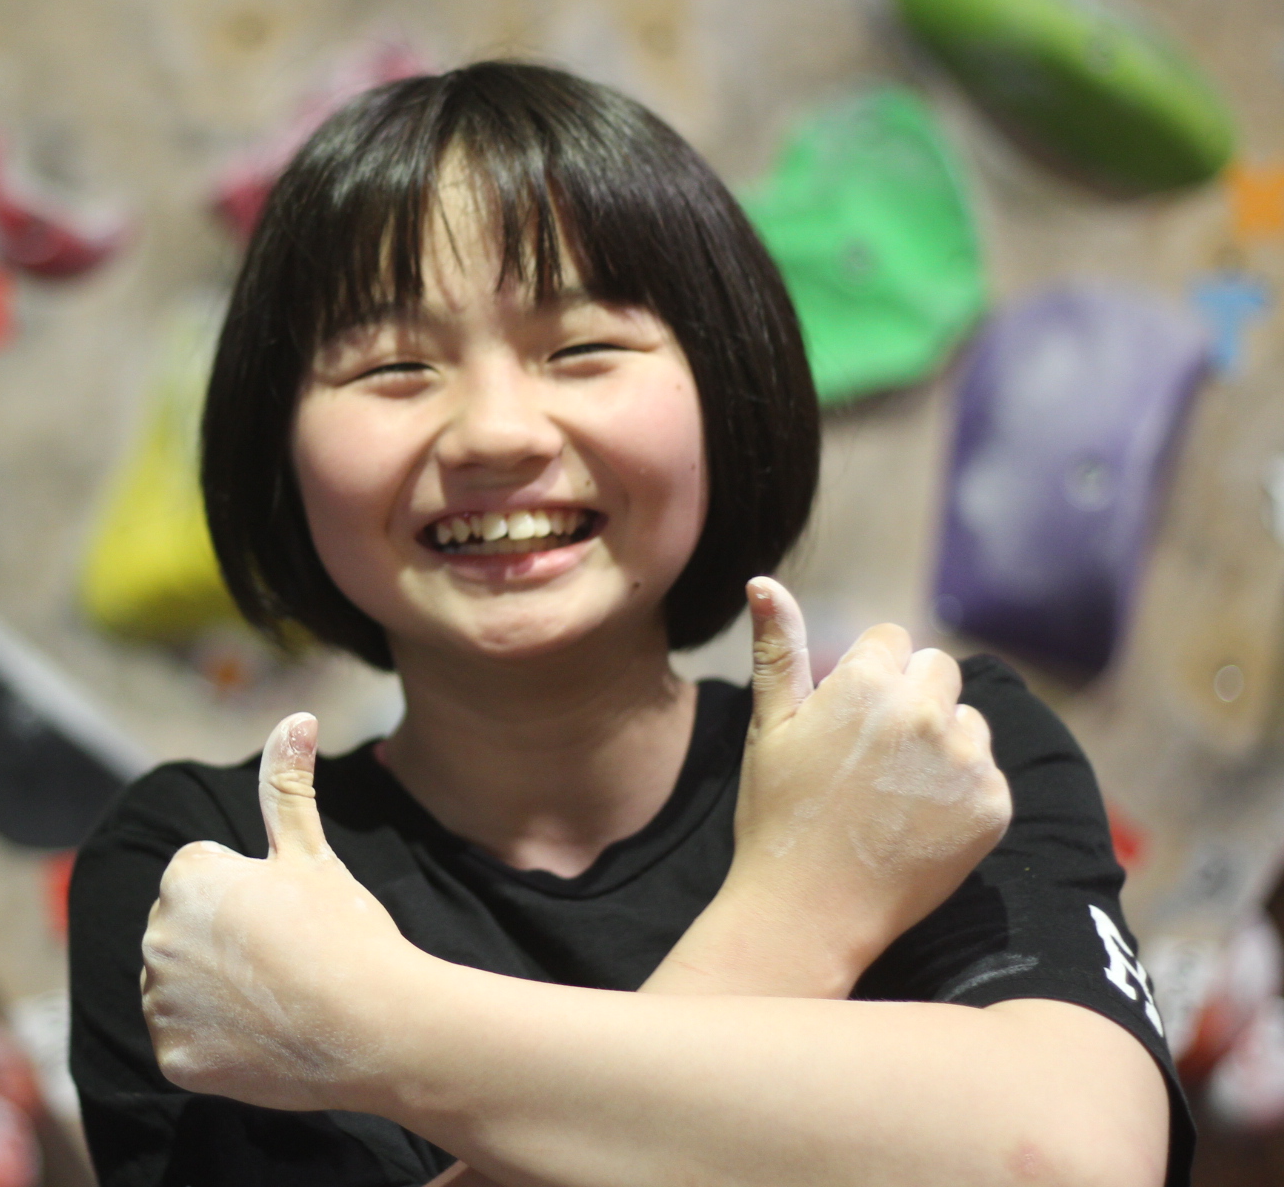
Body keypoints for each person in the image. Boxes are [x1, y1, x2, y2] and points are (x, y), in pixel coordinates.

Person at [68, 61, 1189, 1187]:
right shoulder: (215, 865)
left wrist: (376, 1027)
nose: (495, 432)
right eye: (396, 367)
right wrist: (803, 913)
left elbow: (1070, 1161)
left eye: (583, 350)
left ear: (724, 386)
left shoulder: (923, 752)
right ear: (278, 449)